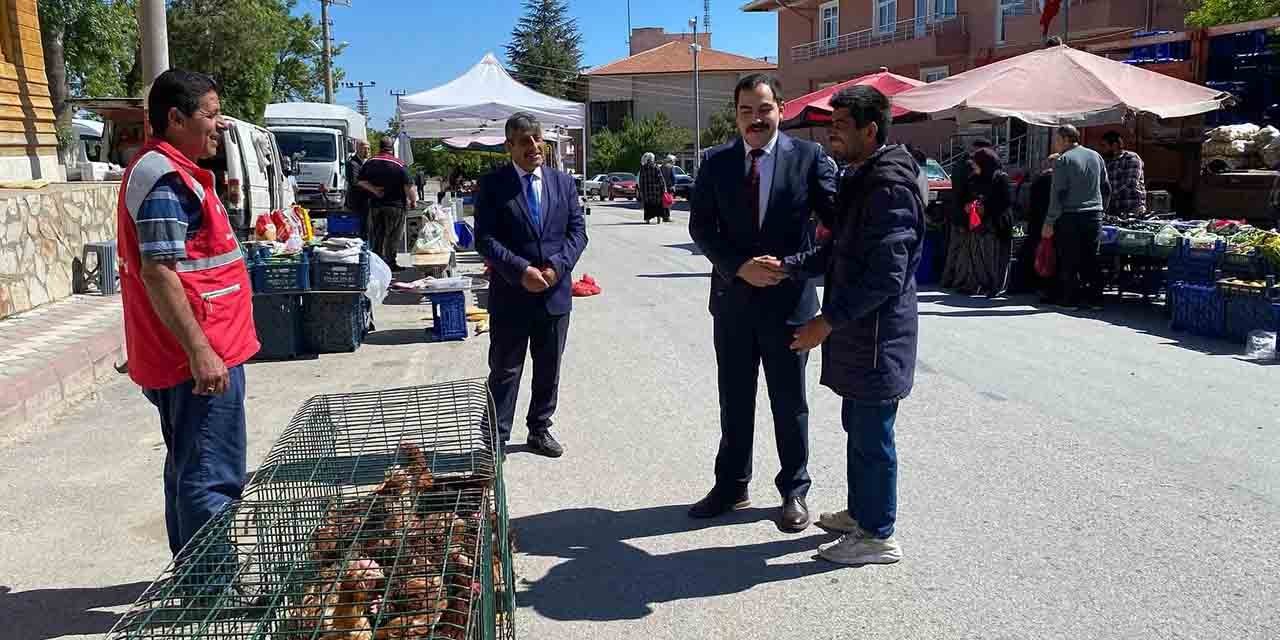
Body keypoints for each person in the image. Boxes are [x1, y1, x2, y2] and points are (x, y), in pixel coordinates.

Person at [116, 69, 259, 557]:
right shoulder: (165, 179)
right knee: (209, 474)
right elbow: (158, 271)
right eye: (212, 115)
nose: (221, 126)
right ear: (176, 118)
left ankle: (195, 577)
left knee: (188, 466)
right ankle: (214, 586)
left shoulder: (177, 171)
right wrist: (200, 350)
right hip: (197, 356)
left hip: (198, 348)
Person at [687, 73, 837, 532]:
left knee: (789, 403)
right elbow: (701, 229)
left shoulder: (809, 158)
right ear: (735, 114)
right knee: (734, 399)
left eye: (764, 109)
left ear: (781, 109)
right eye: (746, 111)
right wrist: (738, 266)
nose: (756, 119)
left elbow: (838, 227)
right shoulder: (716, 162)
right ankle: (732, 484)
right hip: (732, 304)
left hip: (789, 305)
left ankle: (794, 489)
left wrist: (791, 265)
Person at [785, 85, 923, 565]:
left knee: (872, 435)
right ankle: (864, 512)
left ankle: (878, 534)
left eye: (841, 125)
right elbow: (837, 249)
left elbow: (887, 275)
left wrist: (827, 321)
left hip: (878, 337)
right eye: (831, 123)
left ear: (870, 130)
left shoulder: (889, 186)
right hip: (861, 336)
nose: (832, 132)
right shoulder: (861, 177)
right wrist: (789, 265)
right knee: (858, 426)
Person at [474, 112, 589, 458]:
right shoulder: (493, 186)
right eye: (525, 140)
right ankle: (495, 436)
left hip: (554, 295)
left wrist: (556, 268)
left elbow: (577, 233)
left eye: (538, 139)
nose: (534, 146)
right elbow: (485, 239)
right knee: (506, 368)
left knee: (549, 366)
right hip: (512, 294)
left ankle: (540, 428)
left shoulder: (563, 183)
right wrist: (521, 270)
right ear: (509, 145)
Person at [1044, 124, 1110, 310]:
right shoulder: (1096, 156)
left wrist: (1049, 221)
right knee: (1091, 257)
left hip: (1071, 216)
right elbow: (1106, 187)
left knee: (1069, 258)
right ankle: (1095, 300)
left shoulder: (1063, 160)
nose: (1055, 144)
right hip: (1094, 215)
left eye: (1057, 140)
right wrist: (1102, 210)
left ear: (1066, 139)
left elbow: (1058, 194)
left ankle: (1070, 300)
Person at [940, 138, 993, 293]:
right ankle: (958, 281)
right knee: (964, 249)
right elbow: (970, 191)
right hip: (966, 213)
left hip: (956, 211)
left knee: (954, 248)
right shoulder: (971, 166)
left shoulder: (958, 163)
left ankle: (947, 279)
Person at [358, 137, 416, 271]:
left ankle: (376, 263)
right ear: (392, 148)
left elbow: (360, 181)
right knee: (393, 236)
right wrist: (412, 201)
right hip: (396, 206)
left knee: (377, 234)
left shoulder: (370, 162)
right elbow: (409, 186)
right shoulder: (399, 164)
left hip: (376, 205)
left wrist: (375, 191)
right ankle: (390, 263)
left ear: (379, 147)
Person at [967, 148, 1014, 297]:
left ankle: (997, 286)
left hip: (998, 223)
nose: (973, 167)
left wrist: (985, 206)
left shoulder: (1001, 178)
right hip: (982, 224)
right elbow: (971, 194)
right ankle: (985, 284)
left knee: (998, 257)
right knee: (982, 255)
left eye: (976, 164)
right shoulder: (976, 178)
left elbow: (1006, 202)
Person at [1014, 153, 1059, 295]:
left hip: (1036, 220)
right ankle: (1038, 283)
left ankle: (1024, 283)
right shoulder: (1051, 179)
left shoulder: (1040, 178)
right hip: (1045, 221)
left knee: (1032, 250)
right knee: (1044, 253)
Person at [1101, 131, 1146, 218]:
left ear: (1114, 145)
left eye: (1104, 146)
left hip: (1131, 209)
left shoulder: (1131, 158)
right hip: (1114, 210)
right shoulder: (1107, 161)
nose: (1102, 149)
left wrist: (1108, 195)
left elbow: (1130, 183)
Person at [345, 141, 369, 238]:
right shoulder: (352, 163)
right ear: (357, 148)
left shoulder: (367, 163)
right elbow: (354, 182)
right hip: (356, 201)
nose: (367, 151)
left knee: (365, 228)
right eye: (364, 148)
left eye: (368, 148)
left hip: (365, 201)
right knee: (358, 229)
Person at [637, 152, 668, 224]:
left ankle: (647, 219)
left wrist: (641, 190)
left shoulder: (643, 168)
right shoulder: (656, 167)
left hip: (646, 192)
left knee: (647, 206)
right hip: (656, 191)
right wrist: (664, 189)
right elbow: (661, 179)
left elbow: (641, 180)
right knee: (658, 205)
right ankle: (658, 219)